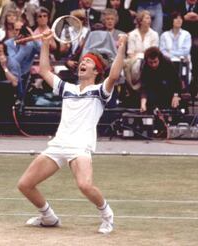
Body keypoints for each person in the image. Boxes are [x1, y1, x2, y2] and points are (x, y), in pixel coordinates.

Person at [17, 30, 127, 234]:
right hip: (59, 144)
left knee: (85, 186)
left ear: (96, 70)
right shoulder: (67, 88)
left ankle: (107, 215)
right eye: (82, 60)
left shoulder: (100, 91)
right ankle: (48, 217)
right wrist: (45, 42)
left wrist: (121, 47)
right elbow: (44, 71)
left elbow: (114, 75)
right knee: (25, 184)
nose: (83, 63)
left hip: (80, 146)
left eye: (88, 61)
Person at [139, 46, 182, 112]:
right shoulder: (145, 66)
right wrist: (143, 103)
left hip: (168, 89)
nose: (153, 65)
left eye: (155, 62)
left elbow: (176, 81)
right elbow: (144, 86)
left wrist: (176, 96)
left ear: (159, 59)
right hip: (153, 90)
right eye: (150, 62)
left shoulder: (167, 63)